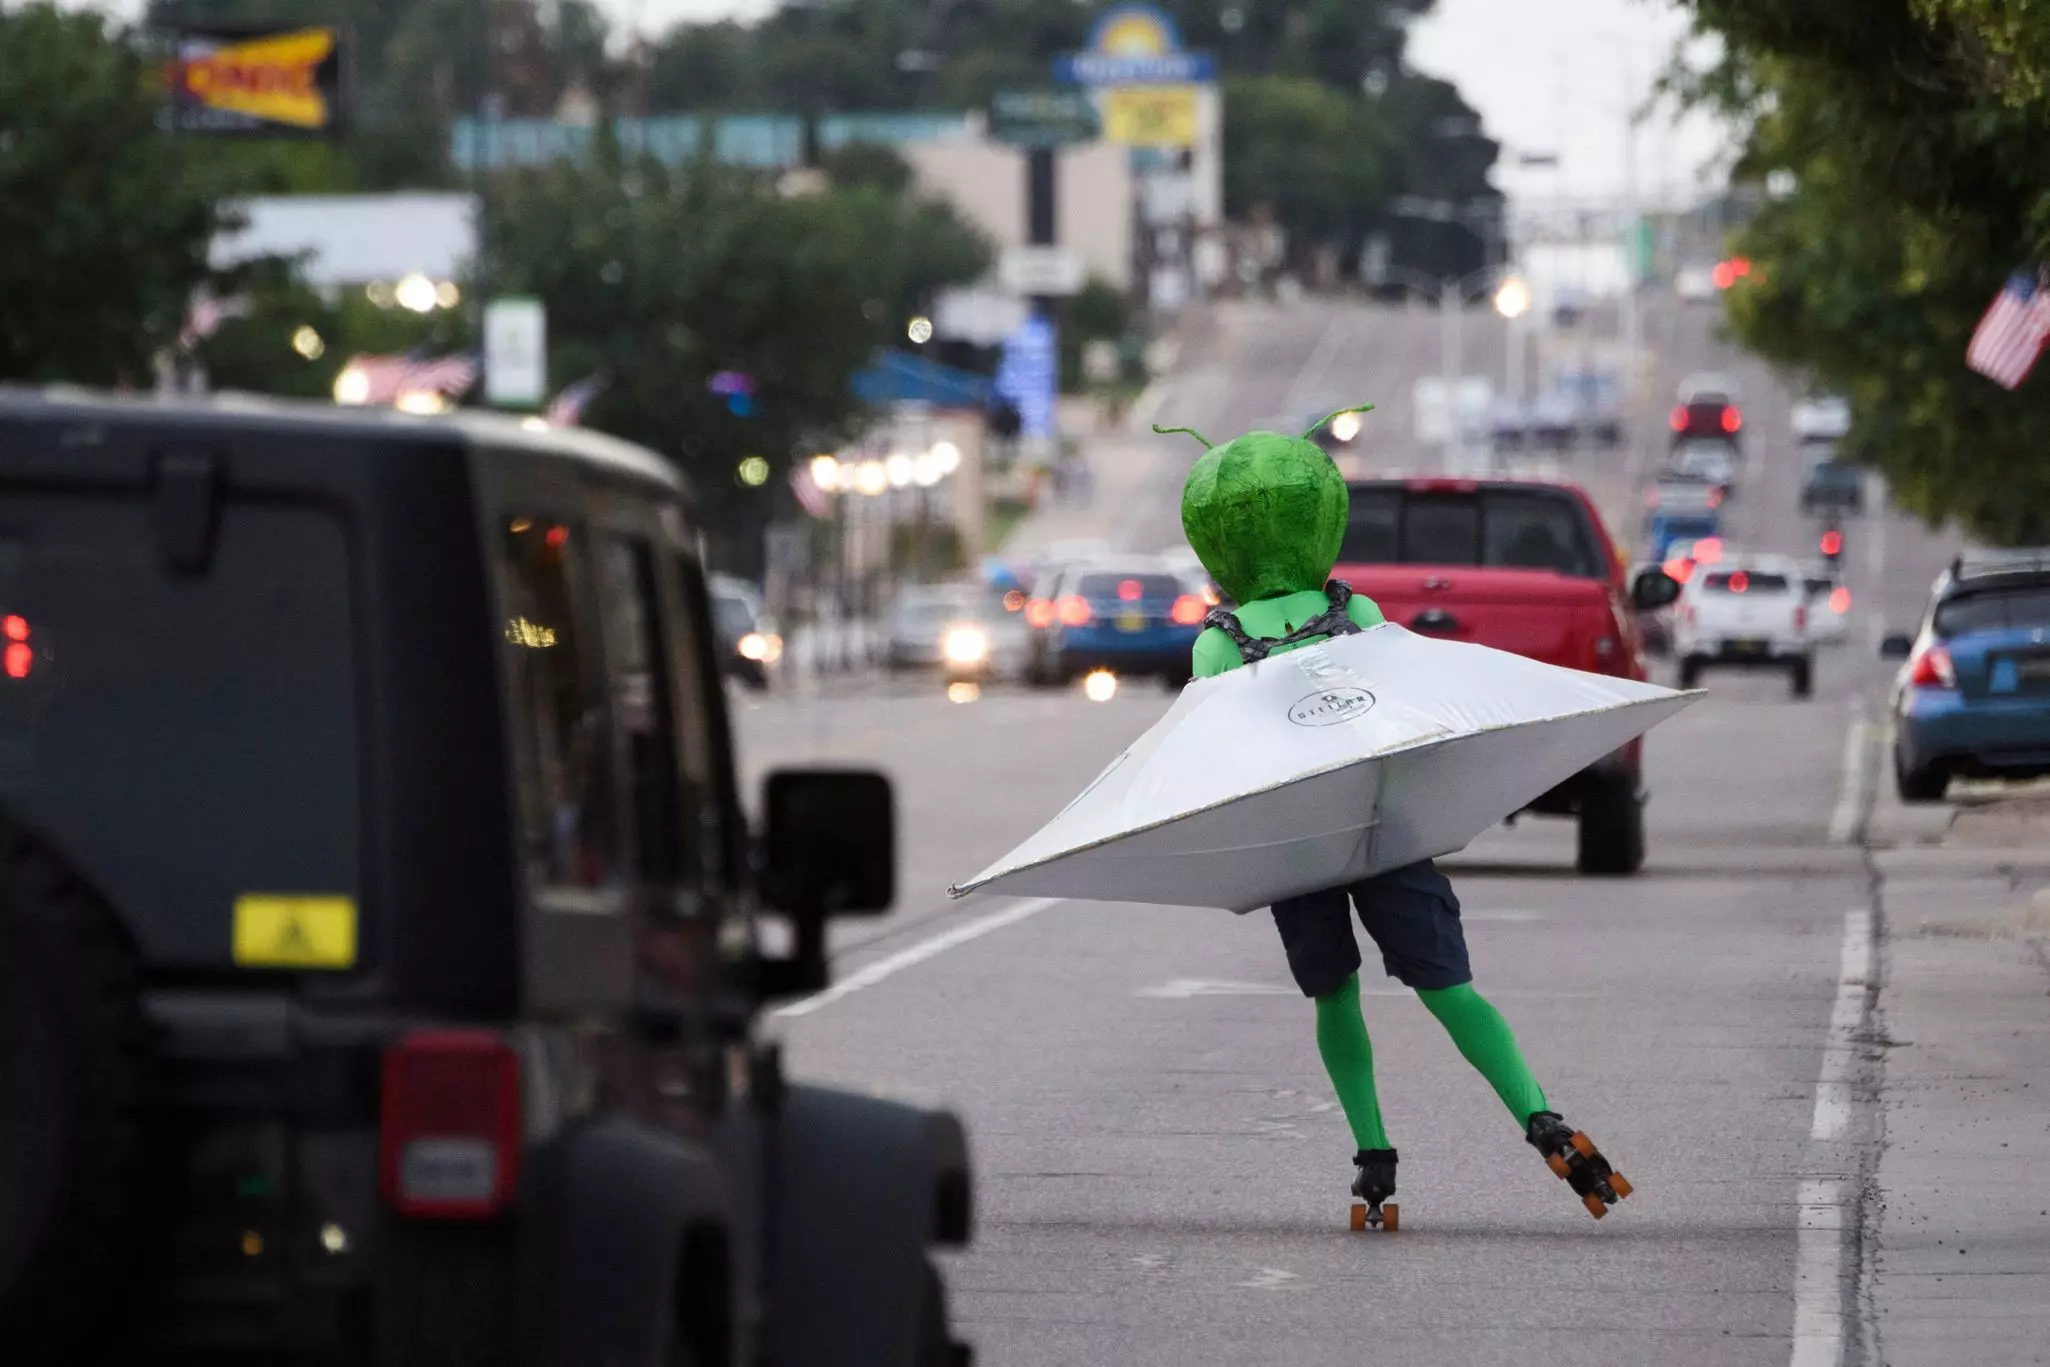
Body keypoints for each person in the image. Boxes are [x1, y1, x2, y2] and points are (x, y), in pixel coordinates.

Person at [1163, 408, 1633, 1228]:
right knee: (1448, 987)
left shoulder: (1219, 644)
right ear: (1322, 518)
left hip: (1295, 842)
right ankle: (1541, 1117)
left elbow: (1211, 758)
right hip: (1384, 830)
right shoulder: (1362, 614)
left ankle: (1373, 1152)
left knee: (1334, 994)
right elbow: (1413, 714)